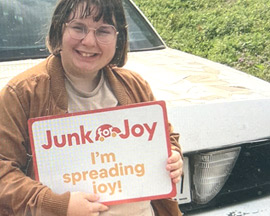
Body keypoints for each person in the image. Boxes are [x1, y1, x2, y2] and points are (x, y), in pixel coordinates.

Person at [0, 0, 183, 215]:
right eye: (78, 28)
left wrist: (174, 158)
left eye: (104, 31)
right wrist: (59, 204)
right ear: (59, 28)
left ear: (118, 38)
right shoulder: (22, 93)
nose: (88, 41)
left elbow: (166, 139)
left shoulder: (135, 86)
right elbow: (3, 171)